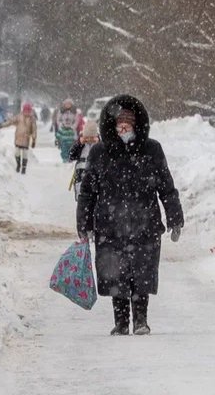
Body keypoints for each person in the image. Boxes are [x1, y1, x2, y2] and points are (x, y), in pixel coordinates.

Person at [76, 95, 183, 336]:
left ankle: (141, 320)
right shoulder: (100, 153)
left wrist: (175, 218)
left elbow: (166, 186)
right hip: (110, 226)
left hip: (145, 224)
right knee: (115, 275)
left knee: (142, 273)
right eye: (119, 122)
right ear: (111, 125)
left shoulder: (152, 150)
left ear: (137, 124)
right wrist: (84, 223)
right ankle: (121, 322)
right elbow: (88, 193)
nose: (123, 127)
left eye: (128, 122)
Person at [0, 102, 37, 174]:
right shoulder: (19, 117)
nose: (26, 113)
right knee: (17, 153)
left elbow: (34, 130)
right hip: (18, 138)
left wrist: (34, 139)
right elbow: (10, 122)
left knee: (25, 153)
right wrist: (2, 125)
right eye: (25, 111)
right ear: (23, 110)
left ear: (30, 111)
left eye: (28, 111)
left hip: (26, 139)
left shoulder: (32, 119)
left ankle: (24, 167)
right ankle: (18, 165)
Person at [67, 120, 100, 200]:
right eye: (87, 137)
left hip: (95, 174)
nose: (89, 139)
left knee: (96, 196)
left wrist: (99, 143)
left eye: (91, 137)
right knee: (81, 195)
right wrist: (79, 143)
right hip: (81, 173)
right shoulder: (80, 144)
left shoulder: (100, 145)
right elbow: (71, 156)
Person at [52, 98, 86, 163]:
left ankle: (70, 158)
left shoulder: (74, 111)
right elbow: (58, 120)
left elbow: (77, 120)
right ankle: (65, 159)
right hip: (63, 131)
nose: (67, 105)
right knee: (64, 147)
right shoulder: (61, 111)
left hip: (72, 132)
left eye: (69, 104)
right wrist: (62, 126)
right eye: (66, 104)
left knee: (71, 146)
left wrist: (72, 127)